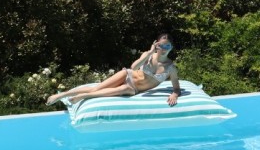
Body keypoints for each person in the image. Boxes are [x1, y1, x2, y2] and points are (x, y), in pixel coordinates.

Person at [46, 33, 181, 106]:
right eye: (161, 46)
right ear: (156, 45)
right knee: (97, 88)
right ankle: (62, 95)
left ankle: (83, 96)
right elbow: (133, 67)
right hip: (128, 75)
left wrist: (174, 95)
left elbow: (176, 88)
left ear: (172, 47)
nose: (164, 49)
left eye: (167, 46)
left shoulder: (171, 68)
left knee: (124, 89)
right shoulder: (148, 56)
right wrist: (150, 53)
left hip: (134, 88)